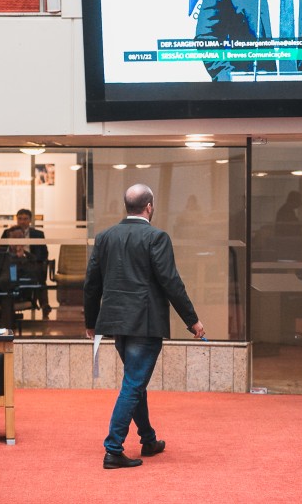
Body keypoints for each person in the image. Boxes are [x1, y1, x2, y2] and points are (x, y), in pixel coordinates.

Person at [84, 184, 205, 470]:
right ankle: (113, 448)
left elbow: (91, 284)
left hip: (117, 323)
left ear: (127, 206)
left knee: (135, 382)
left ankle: (148, 439)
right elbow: (171, 282)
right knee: (134, 384)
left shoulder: (105, 237)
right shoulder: (156, 237)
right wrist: (192, 320)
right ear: (149, 206)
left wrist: (92, 322)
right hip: (145, 323)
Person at [1, 209, 51, 318]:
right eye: (20, 219)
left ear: (30, 220)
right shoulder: (8, 232)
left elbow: (44, 253)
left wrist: (31, 258)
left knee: (38, 273)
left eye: (25, 219)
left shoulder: (38, 234)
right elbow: (2, 250)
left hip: (31, 262)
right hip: (12, 262)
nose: (22, 221)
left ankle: (44, 305)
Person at [0, 226, 41, 308]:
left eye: (20, 238)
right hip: (1, 290)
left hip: (19, 291)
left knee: (7, 291)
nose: (17, 241)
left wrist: (21, 259)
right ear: (8, 239)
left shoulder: (30, 257)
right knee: (7, 297)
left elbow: (33, 278)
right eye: (14, 238)